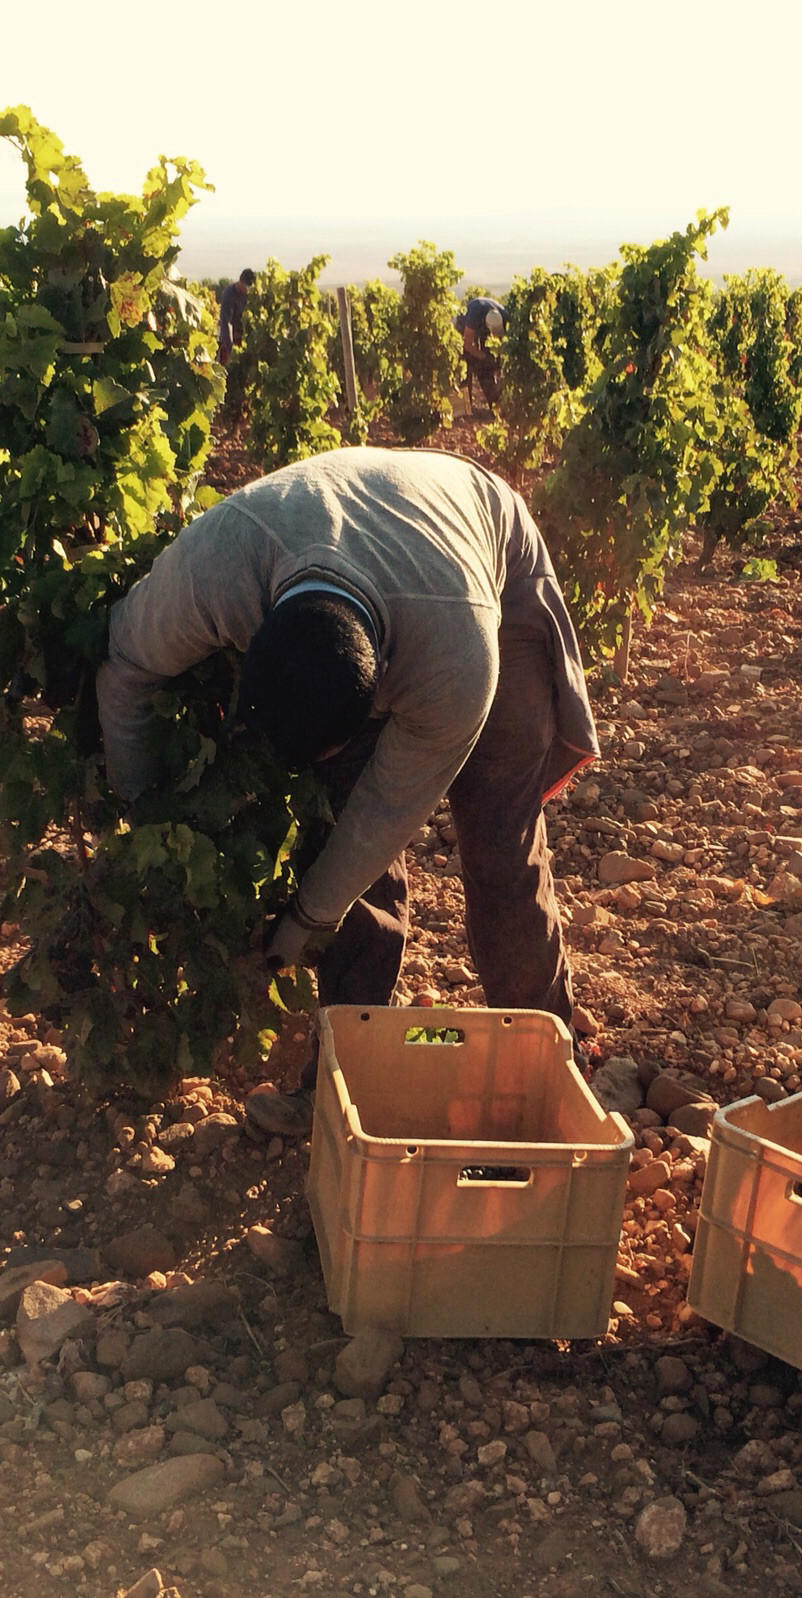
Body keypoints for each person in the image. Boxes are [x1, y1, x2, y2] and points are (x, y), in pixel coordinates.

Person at [97, 447, 599, 1129]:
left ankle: (548, 1068)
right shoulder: (216, 571)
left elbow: (387, 813)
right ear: (250, 633)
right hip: (347, 537)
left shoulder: (459, 665)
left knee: (498, 847)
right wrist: (139, 811)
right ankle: (344, 1080)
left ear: (381, 685)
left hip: (490, 573)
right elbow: (124, 665)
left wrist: (304, 920)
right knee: (334, 824)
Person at [455, 295, 508, 412]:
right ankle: (463, 409)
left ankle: (496, 406)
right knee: (465, 362)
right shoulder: (474, 316)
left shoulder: (504, 316)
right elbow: (467, 344)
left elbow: (505, 344)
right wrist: (484, 357)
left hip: (483, 326)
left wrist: (498, 363)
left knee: (487, 367)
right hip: (464, 326)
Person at [217, 268, 256, 364]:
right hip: (228, 336)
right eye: (246, 286)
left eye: (249, 287)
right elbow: (226, 323)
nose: (247, 289)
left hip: (242, 337)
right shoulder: (229, 294)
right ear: (240, 281)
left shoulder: (250, 296)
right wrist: (230, 349)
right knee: (227, 366)